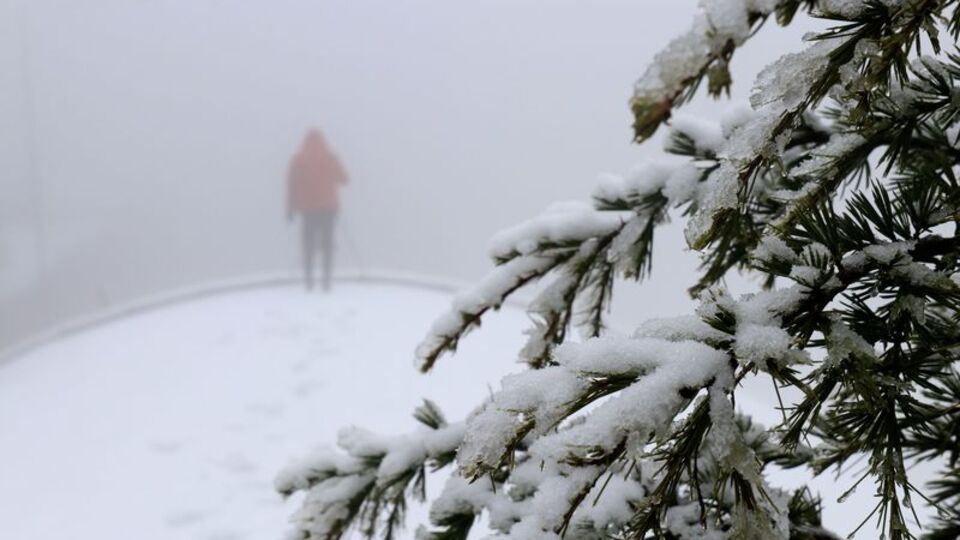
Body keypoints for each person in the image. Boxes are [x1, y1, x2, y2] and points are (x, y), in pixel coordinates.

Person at [287, 128, 348, 291]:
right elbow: (345, 179)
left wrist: (290, 209)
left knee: (308, 245)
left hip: (308, 210)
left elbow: (291, 186)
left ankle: (309, 282)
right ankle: (326, 282)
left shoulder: (298, 160)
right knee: (327, 244)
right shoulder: (330, 158)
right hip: (328, 209)